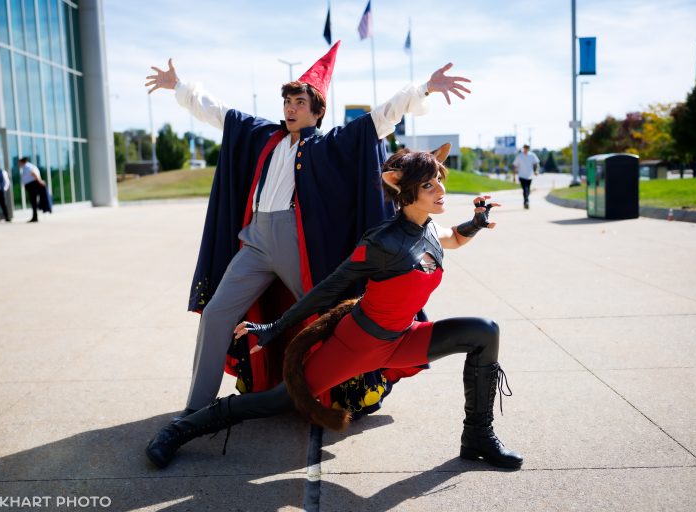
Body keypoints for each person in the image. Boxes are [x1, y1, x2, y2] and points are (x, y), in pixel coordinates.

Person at [144, 42, 472, 421]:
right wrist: (179, 86)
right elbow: (216, 111)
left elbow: (381, 117)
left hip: (296, 247)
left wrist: (425, 89)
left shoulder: (330, 144)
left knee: (327, 319)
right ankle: (196, 408)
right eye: (287, 101)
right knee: (217, 312)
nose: (290, 108)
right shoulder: (260, 134)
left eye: (300, 102)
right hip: (255, 242)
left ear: (317, 111)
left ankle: (334, 392)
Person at [146, 145, 523, 471]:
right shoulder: (382, 242)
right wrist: (275, 326)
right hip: (357, 344)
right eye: (429, 185)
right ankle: (178, 430)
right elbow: (329, 288)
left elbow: (454, 237)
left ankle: (477, 436)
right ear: (401, 188)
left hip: (403, 337)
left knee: (484, 332)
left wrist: (476, 223)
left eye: (438, 179)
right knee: (277, 400)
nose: (441, 189)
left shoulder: (429, 230)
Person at [512, 144, 539, 209]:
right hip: (521, 175)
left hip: (530, 175)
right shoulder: (519, 156)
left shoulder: (532, 155)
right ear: (523, 148)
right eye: (525, 148)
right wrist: (514, 176)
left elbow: (535, 163)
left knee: (528, 189)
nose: (526, 149)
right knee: (525, 189)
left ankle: (526, 201)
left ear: (528, 149)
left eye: (527, 148)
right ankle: (526, 202)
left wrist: (535, 171)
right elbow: (515, 165)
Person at [19, 157, 45, 223]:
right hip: (31, 185)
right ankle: (34, 216)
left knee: (34, 201)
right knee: (33, 201)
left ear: (22, 162)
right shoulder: (26, 167)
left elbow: (34, 173)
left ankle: (35, 217)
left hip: (33, 185)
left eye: (19, 162)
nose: (19, 164)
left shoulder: (28, 166)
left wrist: (40, 181)